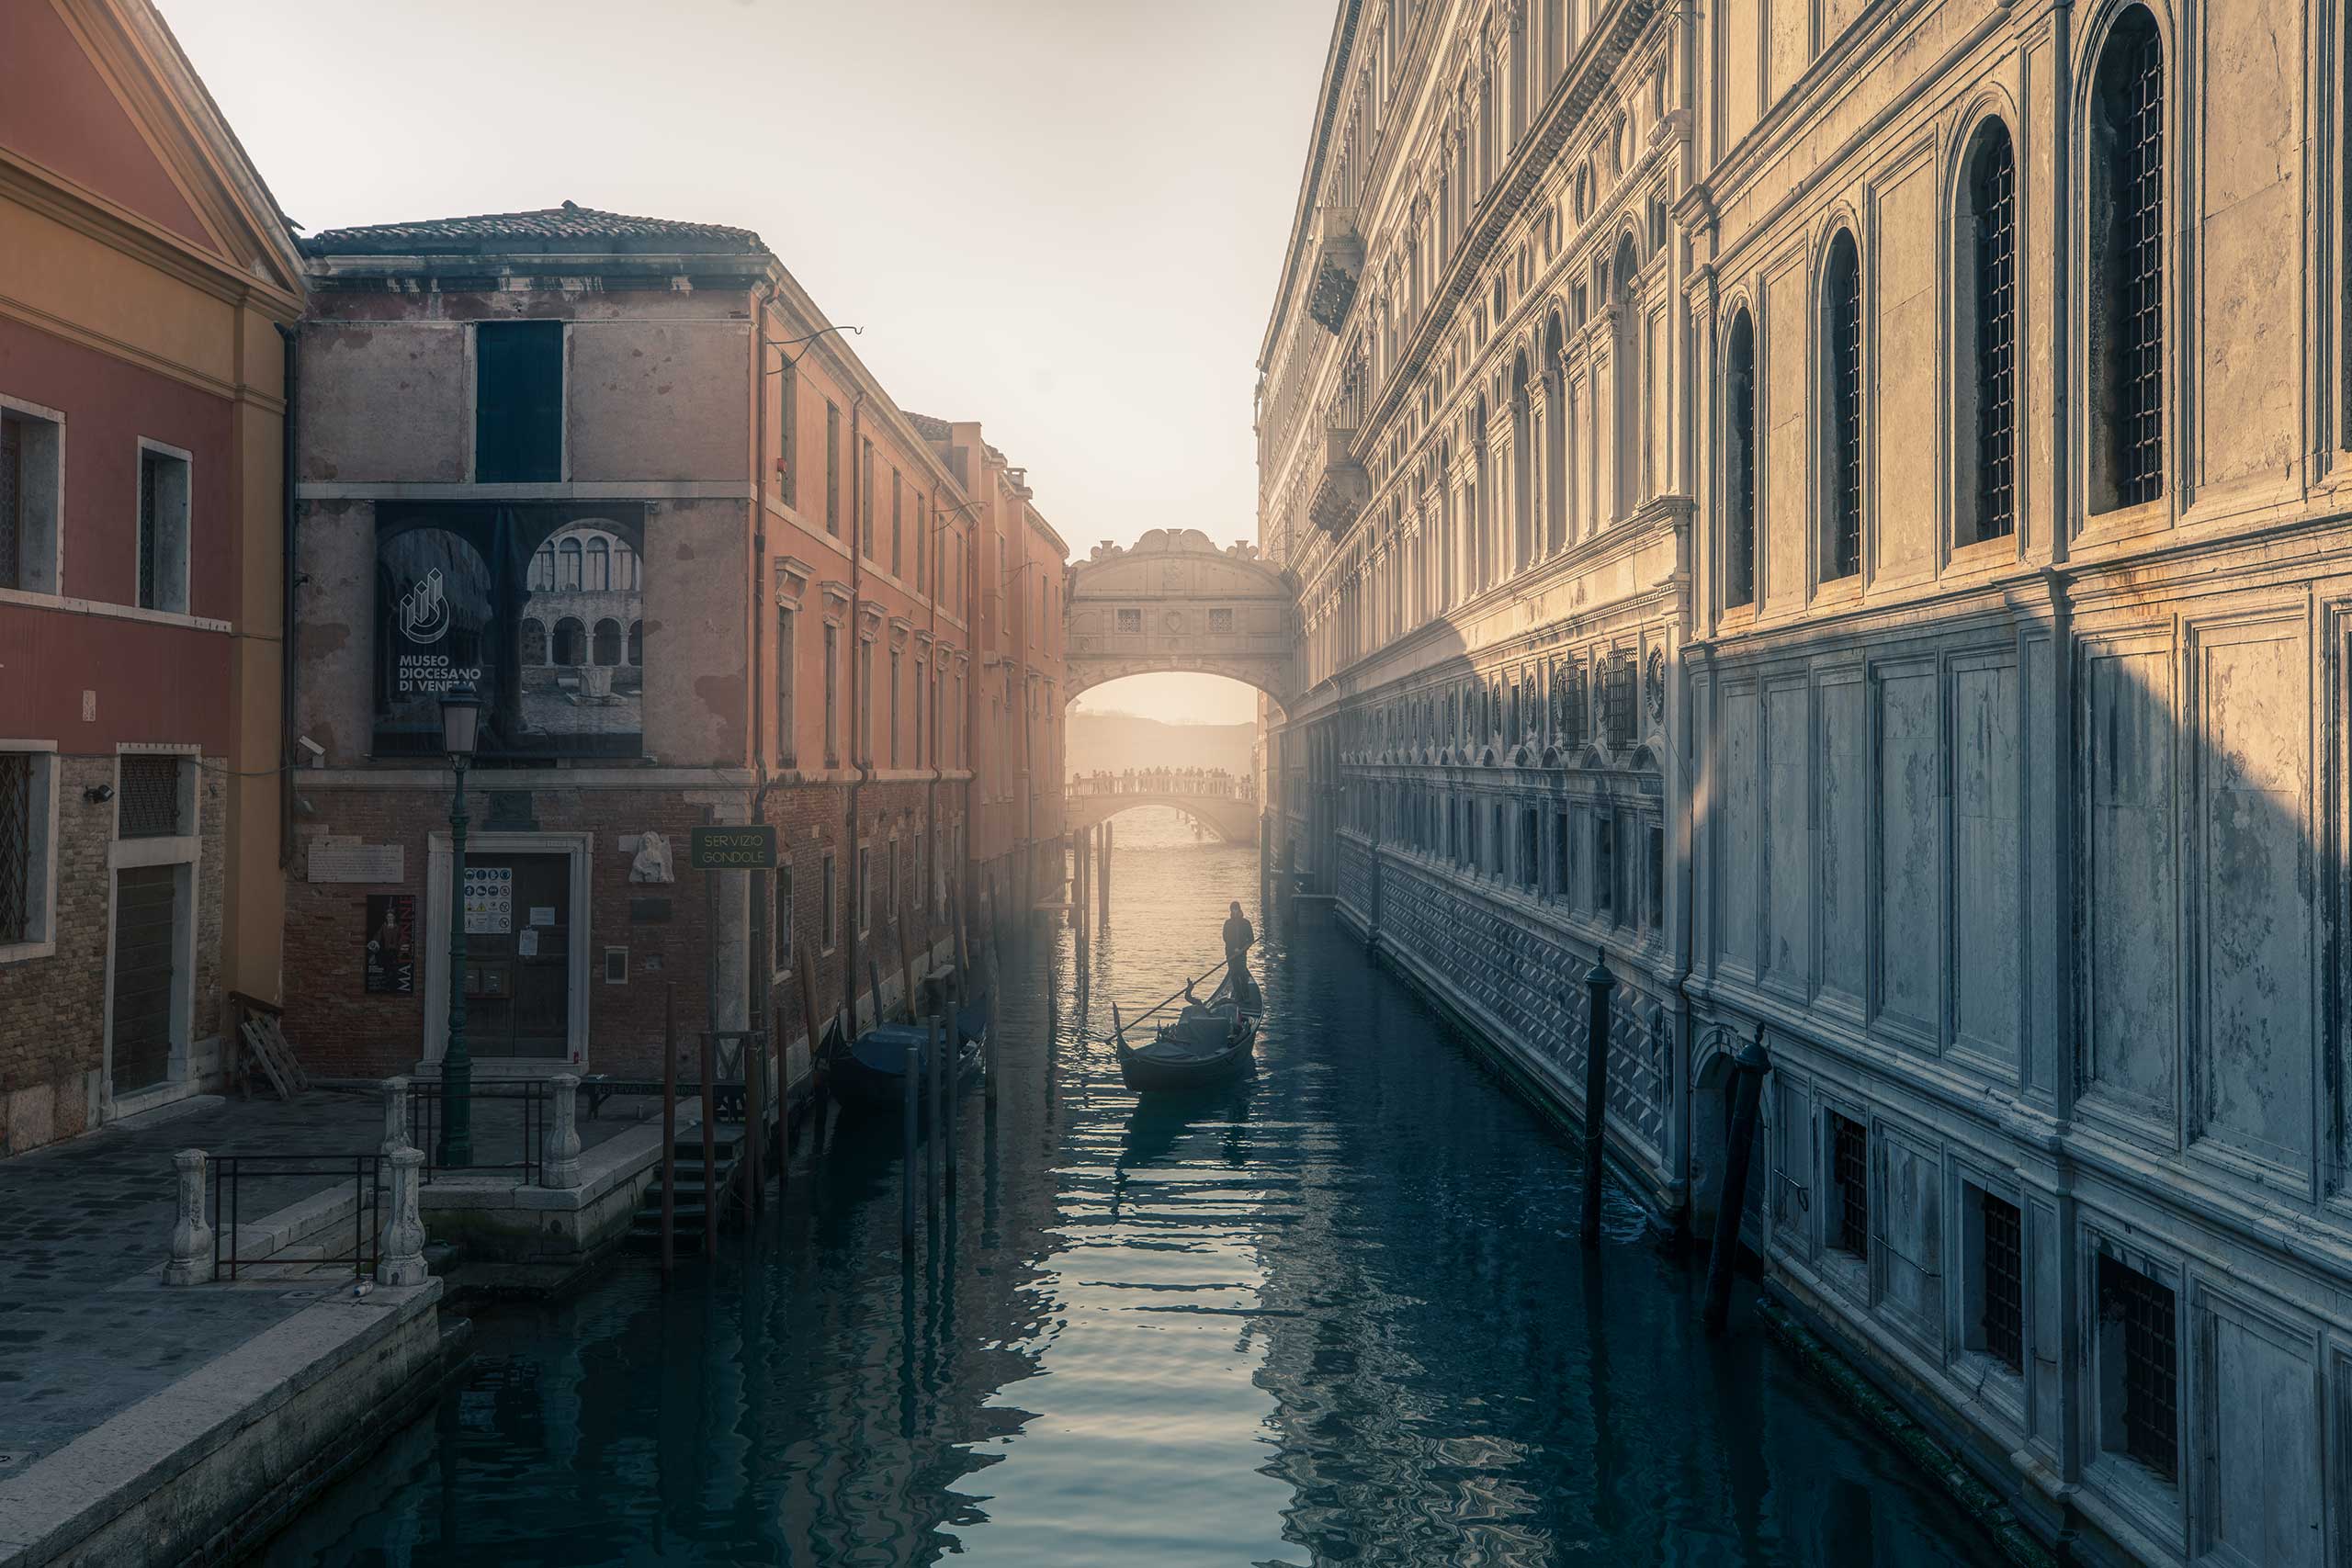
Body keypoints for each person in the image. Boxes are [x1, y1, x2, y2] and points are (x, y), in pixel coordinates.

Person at [1221, 900, 1257, 1009]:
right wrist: (1233, 949)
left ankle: (1246, 997)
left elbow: (1251, 939)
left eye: (1236, 909)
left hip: (1242, 954)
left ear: (1239, 909)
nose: (1234, 911)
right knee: (1233, 975)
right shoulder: (1228, 923)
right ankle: (1238, 997)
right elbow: (1225, 938)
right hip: (1230, 954)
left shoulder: (1246, 923)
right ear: (1231, 910)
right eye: (1233, 909)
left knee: (1242, 973)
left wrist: (1242, 950)